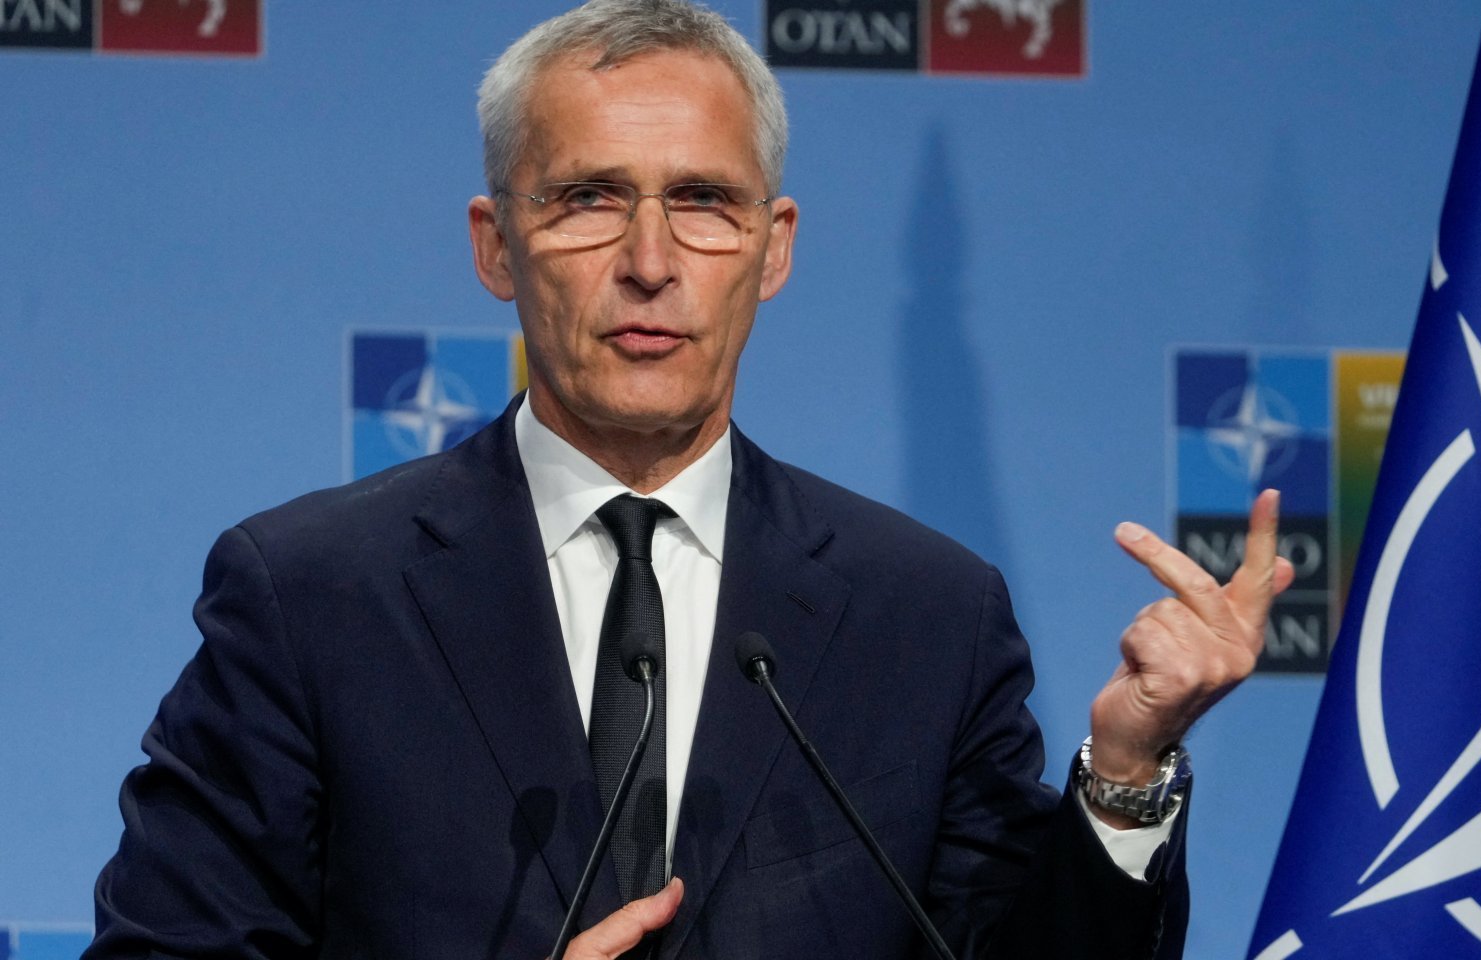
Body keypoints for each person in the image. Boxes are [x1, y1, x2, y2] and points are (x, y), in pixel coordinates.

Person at [83, 2, 1291, 957]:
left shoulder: (927, 616)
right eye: (590, 199)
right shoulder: (311, 597)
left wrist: (1124, 776)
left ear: (772, 250)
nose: (650, 262)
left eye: (704, 203)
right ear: (496, 247)